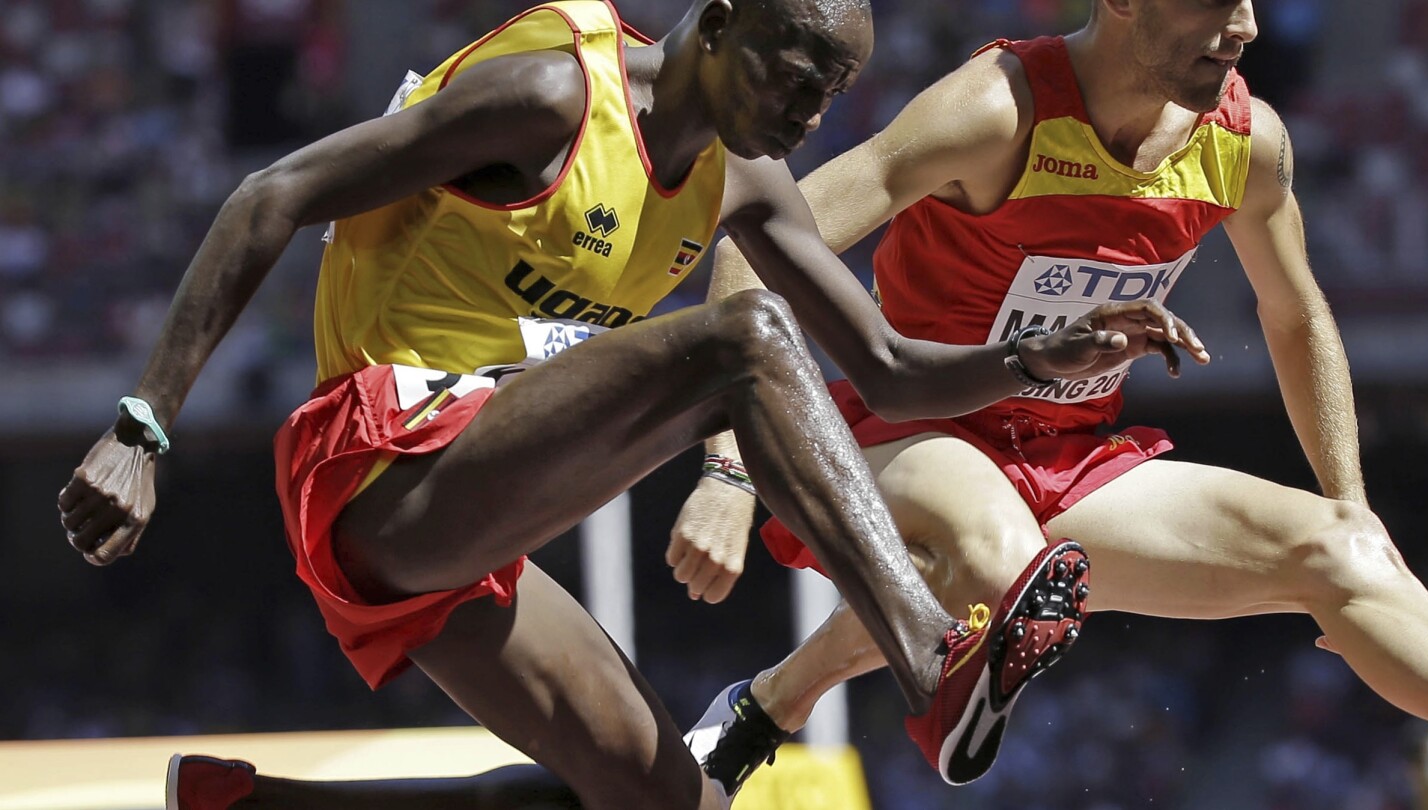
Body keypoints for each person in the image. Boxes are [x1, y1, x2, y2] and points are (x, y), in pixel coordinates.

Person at [54, 0, 1205, 807]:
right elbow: (275, 193)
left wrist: (1038, 358)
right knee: (745, 337)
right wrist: (141, 425)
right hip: (377, 461)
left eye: (832, 92)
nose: (808, 111)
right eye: (791, 69)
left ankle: (244, 809)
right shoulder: (553, 93)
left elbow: (893, 369)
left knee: (664, 801)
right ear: (716, 25)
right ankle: (931, 658)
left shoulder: (744, 179)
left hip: (474, 512)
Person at [676, 0, 1428, 797]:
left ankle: (767, 705)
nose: (1245, 26)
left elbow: (1296, 315)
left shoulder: (1245, 144)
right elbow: (750, 255)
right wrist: (726, 469)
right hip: (908, 432)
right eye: (1215, 4)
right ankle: (874, 687)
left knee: (1344, 551)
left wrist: (1353, 503)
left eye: (1251, 2)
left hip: (1066, 466)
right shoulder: (996, 110)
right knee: (1008, 563)